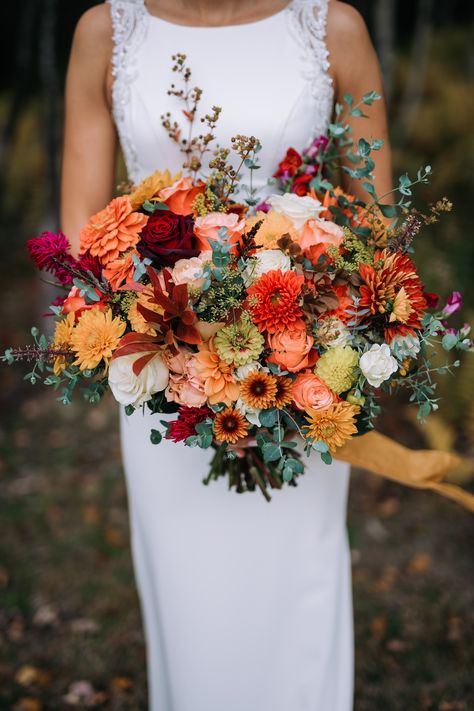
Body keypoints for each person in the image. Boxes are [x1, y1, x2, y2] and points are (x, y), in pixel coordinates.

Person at [61, 1, 392, 709]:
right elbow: (81, 238)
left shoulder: (331, 27)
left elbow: (377, 231)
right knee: (193, 603)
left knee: (293, 594)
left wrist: (319, 328)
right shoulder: (108, 32)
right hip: (162, 370)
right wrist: (157, 332)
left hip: (301, 380)